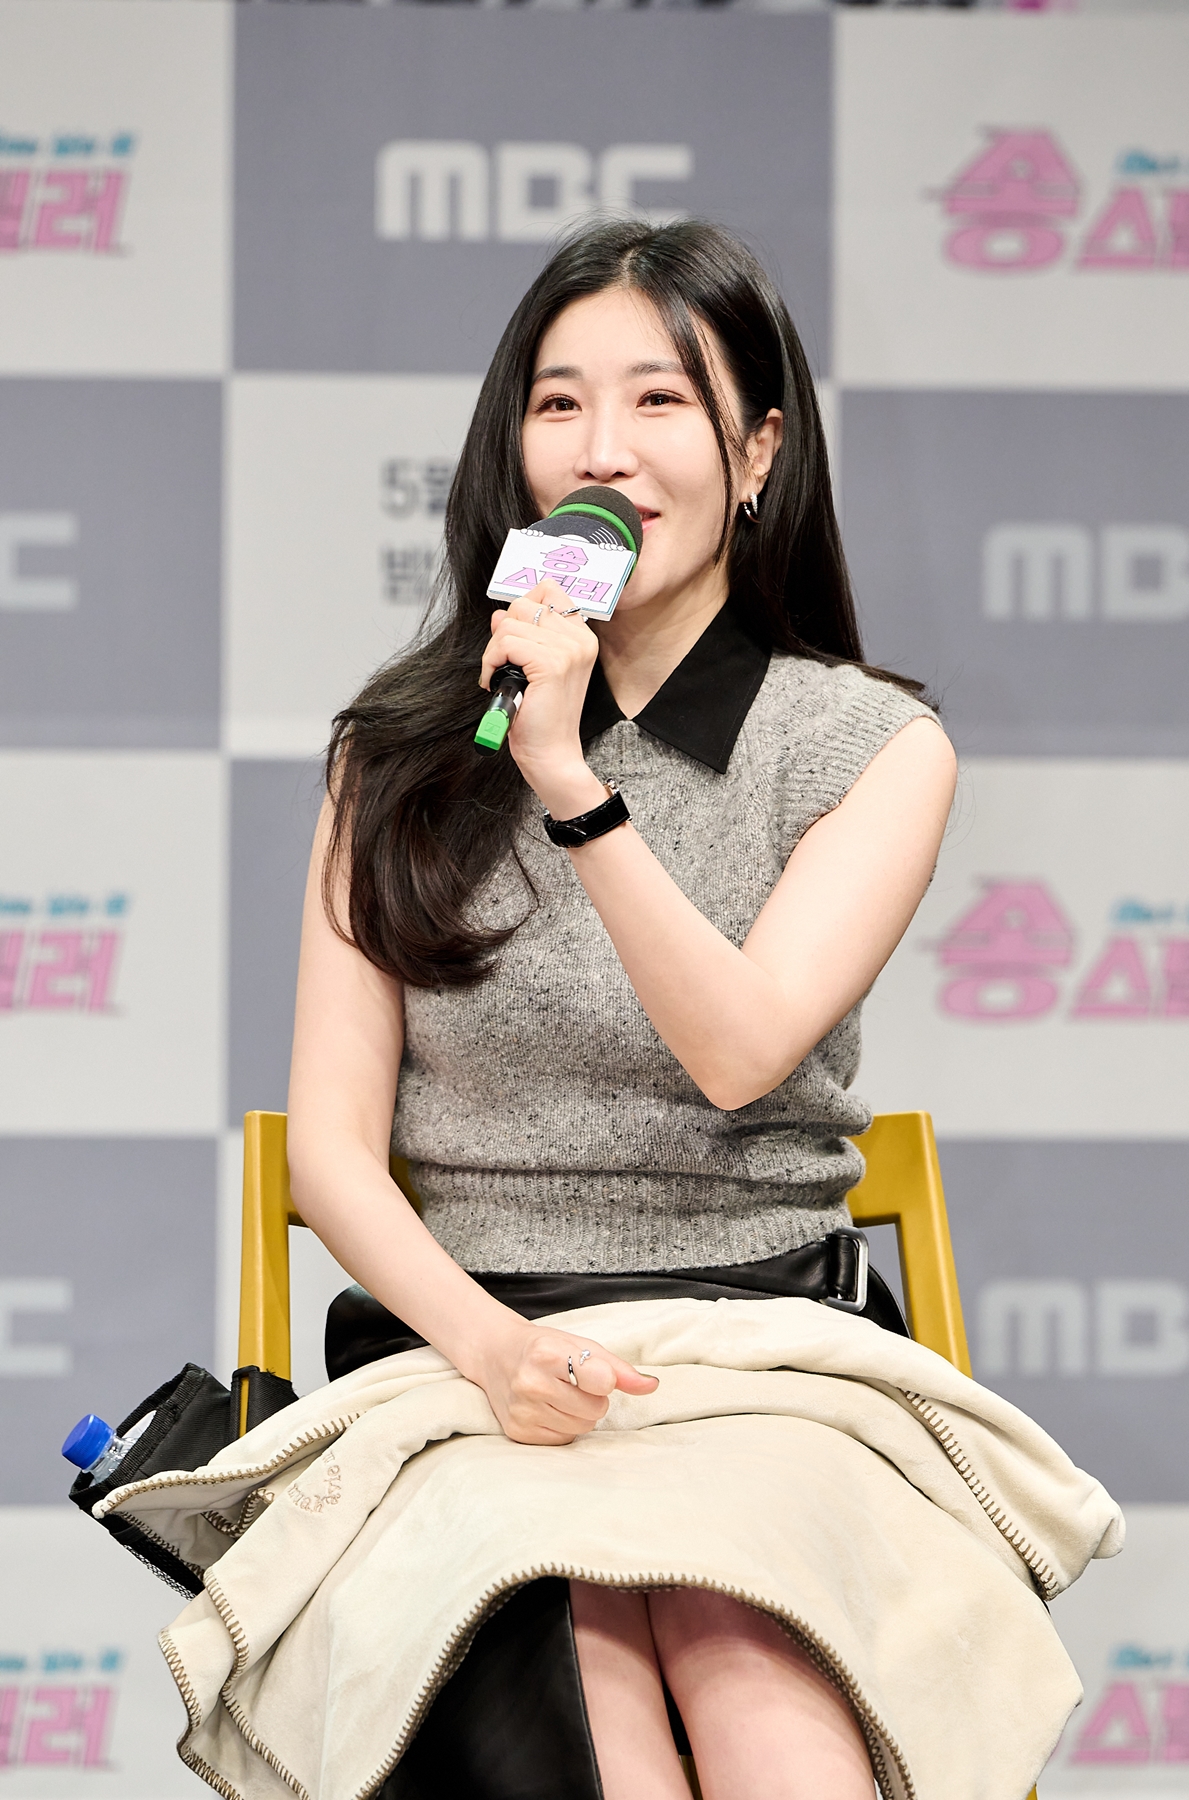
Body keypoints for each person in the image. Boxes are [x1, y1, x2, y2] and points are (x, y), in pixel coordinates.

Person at [286, 217, 959, 1800]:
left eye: (661, 400)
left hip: (764, 1357)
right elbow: (330, 1151)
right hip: (469, 1354)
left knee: (766, 1704)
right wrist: (490, 1349)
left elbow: (738, 1052)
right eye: (559, 403)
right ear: (516, 451)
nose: (604, 450)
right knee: (578, 1697)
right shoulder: (394, 757)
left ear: (758, 451)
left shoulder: (867, 746)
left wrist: (571, 783)